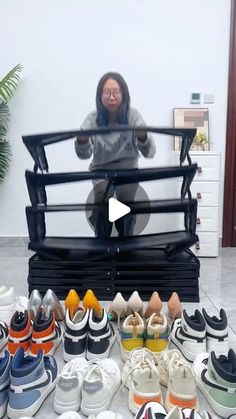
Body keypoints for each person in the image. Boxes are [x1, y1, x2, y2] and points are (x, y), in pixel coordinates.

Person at [75, 71, 156, 238]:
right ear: (100, 96)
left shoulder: (133, 115)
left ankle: (126, 250)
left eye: (116, 92)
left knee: (126, 212)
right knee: (102, 211)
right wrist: (82, 141)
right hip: (101, 171)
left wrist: (143, 137)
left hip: (128, 171)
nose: (112, 97)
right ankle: (102, 250)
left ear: (124, 95)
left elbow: (150, 152)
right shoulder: (92, 118)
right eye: (107, 93)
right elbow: (83, 155)